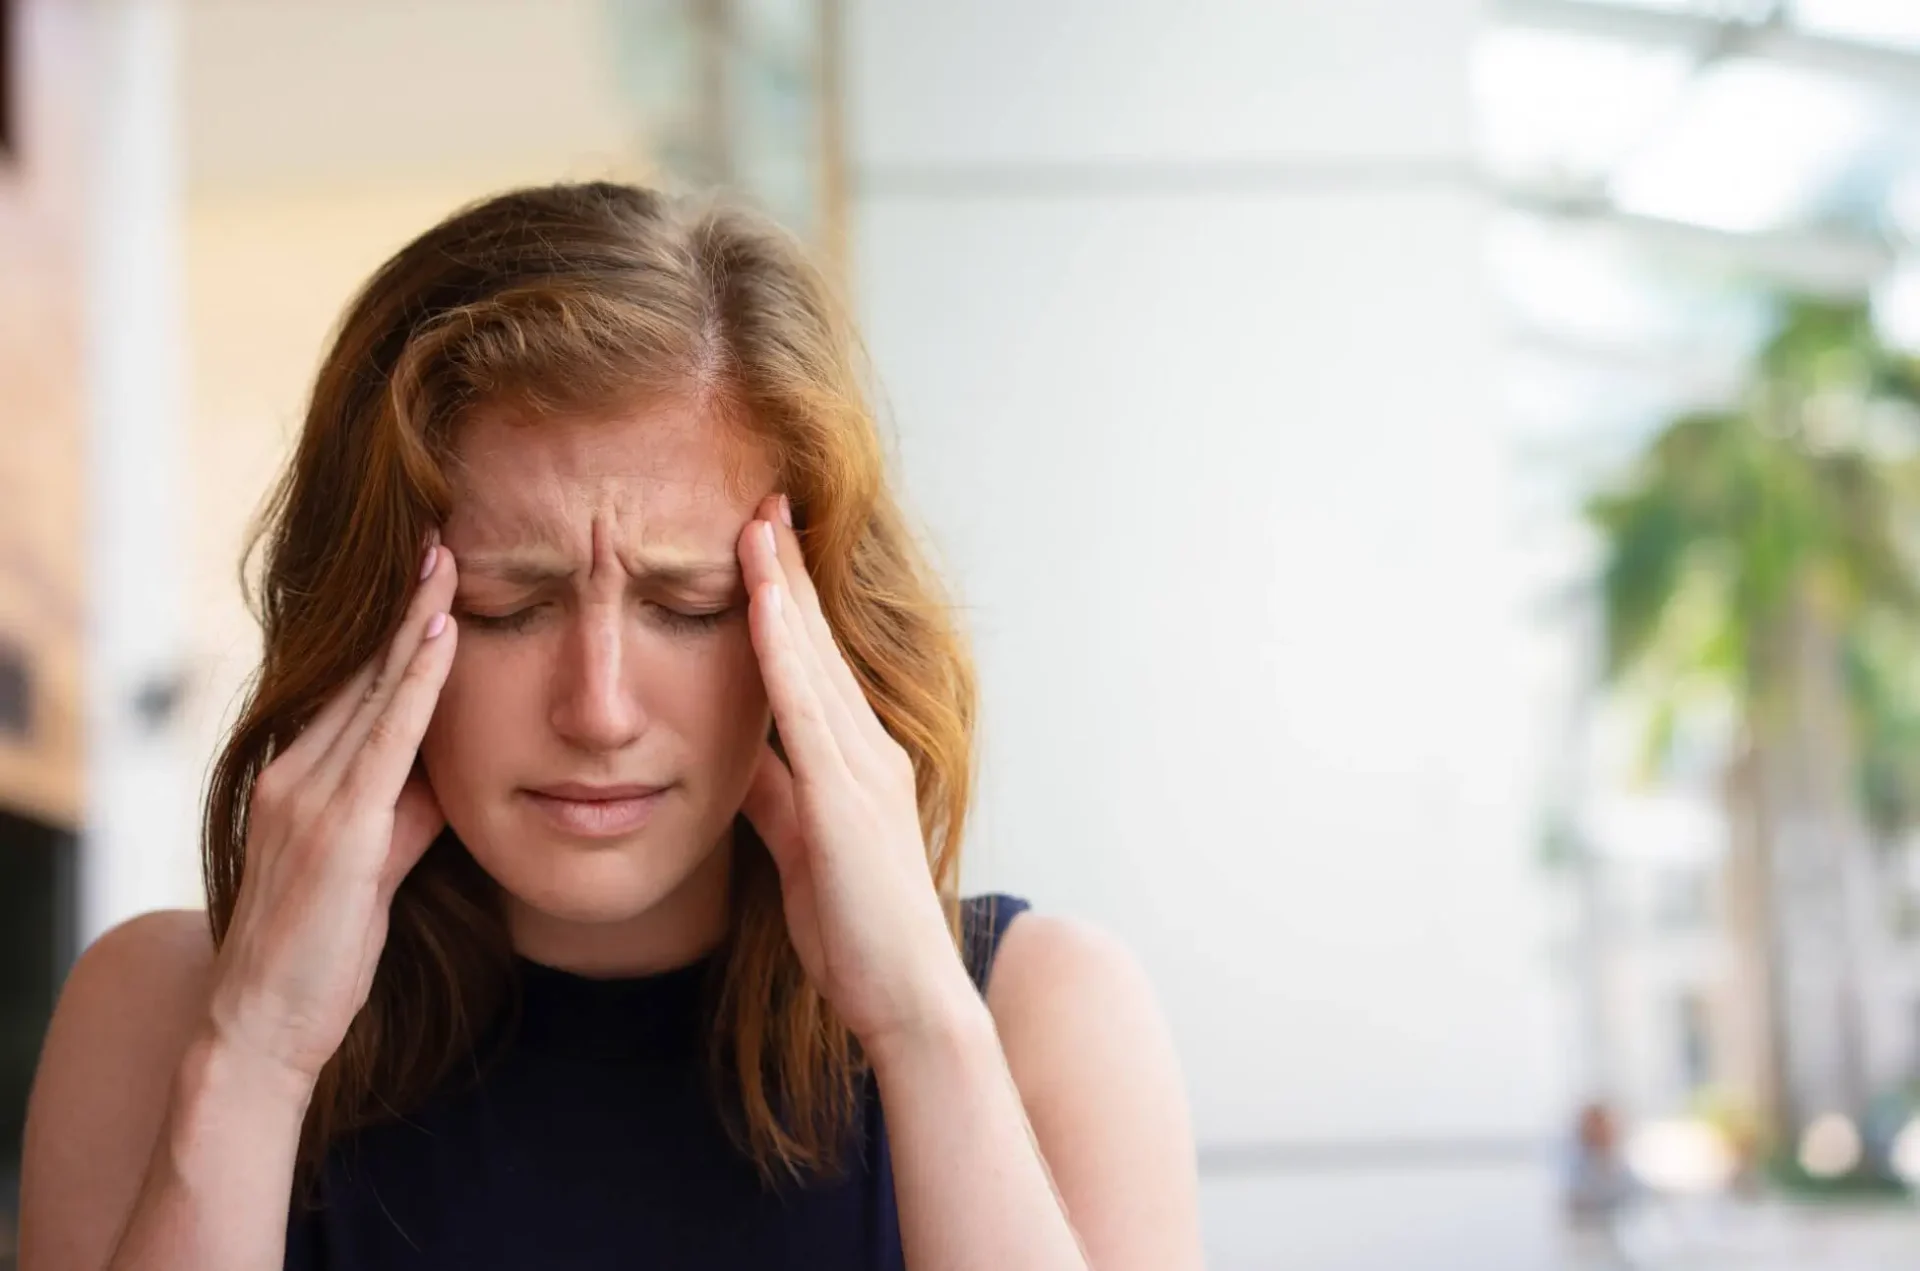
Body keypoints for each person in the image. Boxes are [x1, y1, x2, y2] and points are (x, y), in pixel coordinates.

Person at [17, 183, 1203, 1269]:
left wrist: (922, 1024)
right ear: (370, 615)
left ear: (818, 632)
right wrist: (259, 1054)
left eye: (688, 607)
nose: (598, 709)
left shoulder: (1045, 1015)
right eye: (507, 606)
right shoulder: (161, 1010)